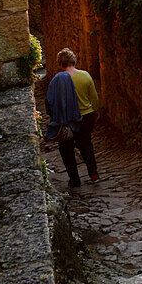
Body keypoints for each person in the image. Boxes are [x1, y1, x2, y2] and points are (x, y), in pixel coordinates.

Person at [45, 50, 83, 188]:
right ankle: (91, 171)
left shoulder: (56, 80)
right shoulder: (78, 77)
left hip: (62, 123)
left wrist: (54, 116)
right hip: (76, 121)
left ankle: (74, 178)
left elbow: (49, 101)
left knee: (66, 153)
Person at [66, 49, 101, 183]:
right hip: (87, 115)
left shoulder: (62, 79)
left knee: (68, 148)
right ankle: (93, 173)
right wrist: (95, 111)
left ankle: (74, 178)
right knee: (87, 144)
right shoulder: (85, 75)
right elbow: (94, 97)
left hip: (70, 118)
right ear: (74, 61)